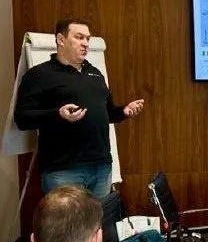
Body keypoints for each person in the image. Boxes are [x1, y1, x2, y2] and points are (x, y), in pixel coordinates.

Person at [14, 18, 144, 197]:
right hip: (63, 170)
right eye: (79, 37)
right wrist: (58, 114)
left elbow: (107, 113)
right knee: (67, 217)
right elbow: (22, 119)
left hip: (101, 167)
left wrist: (123, 111)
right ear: (60, 39)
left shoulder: (95, 73)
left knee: (98, 216)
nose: (85, 43)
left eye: (88, 38)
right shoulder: (39, 75)